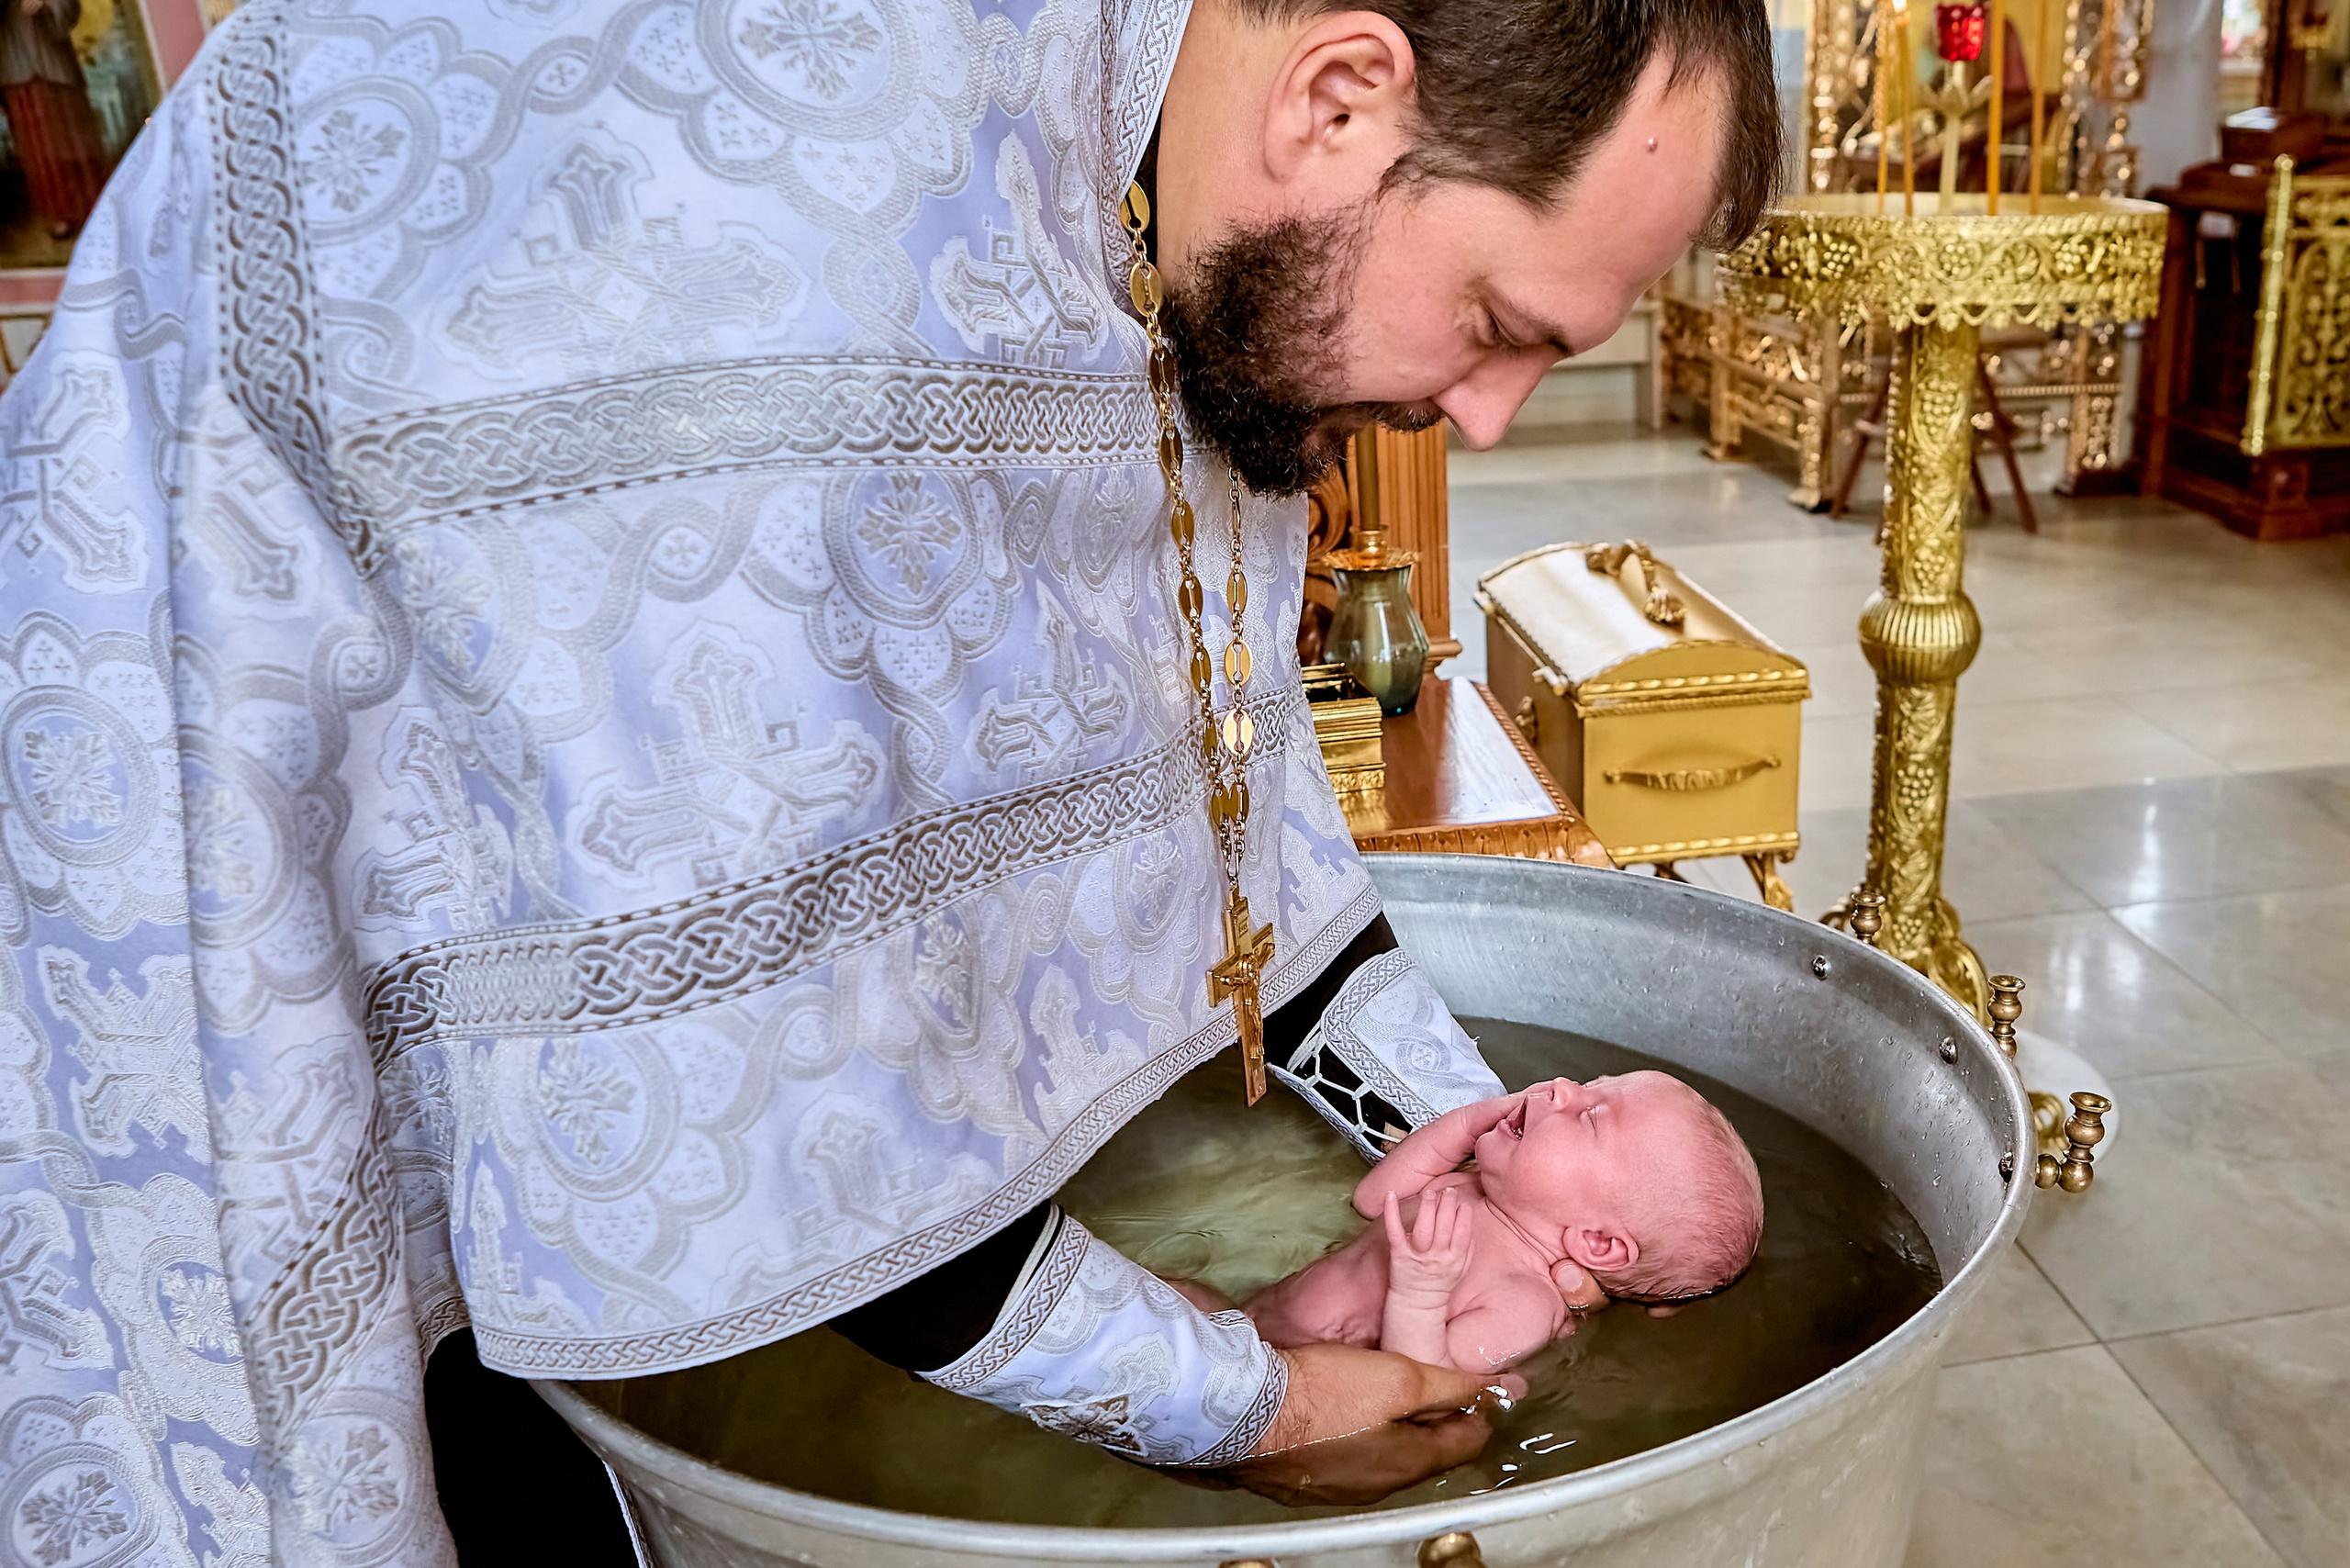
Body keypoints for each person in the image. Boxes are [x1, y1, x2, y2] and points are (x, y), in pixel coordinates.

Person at [0, 0, 1780, 1561]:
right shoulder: (795, 246)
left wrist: (1449, 1123)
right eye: (1496, 320)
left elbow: (1199, 798)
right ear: (1335, 99)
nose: (1486, 419)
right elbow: (783, 1088)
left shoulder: (1141, 167)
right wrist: (1236, 1403)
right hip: (207, 933)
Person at [1239, 1073, 1767, 1372]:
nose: (1563, 1086)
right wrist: (1464, 1127)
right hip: (1250, 1316)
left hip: (1295, 1372)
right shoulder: (1470, 1184)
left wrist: (1420, 1293)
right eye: (1592, 1084)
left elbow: (1422, 1384)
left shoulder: (1525, 1301)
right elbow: (1374, 1199)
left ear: (1598, 1242)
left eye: (1588, 1116)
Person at [0, 0, 109, 238]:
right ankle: (59, 214)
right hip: (15, 69)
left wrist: (47, 4)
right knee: (37, 150)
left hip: (54, 65)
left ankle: (97, 207)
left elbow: (70, 8)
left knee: (73, 140)